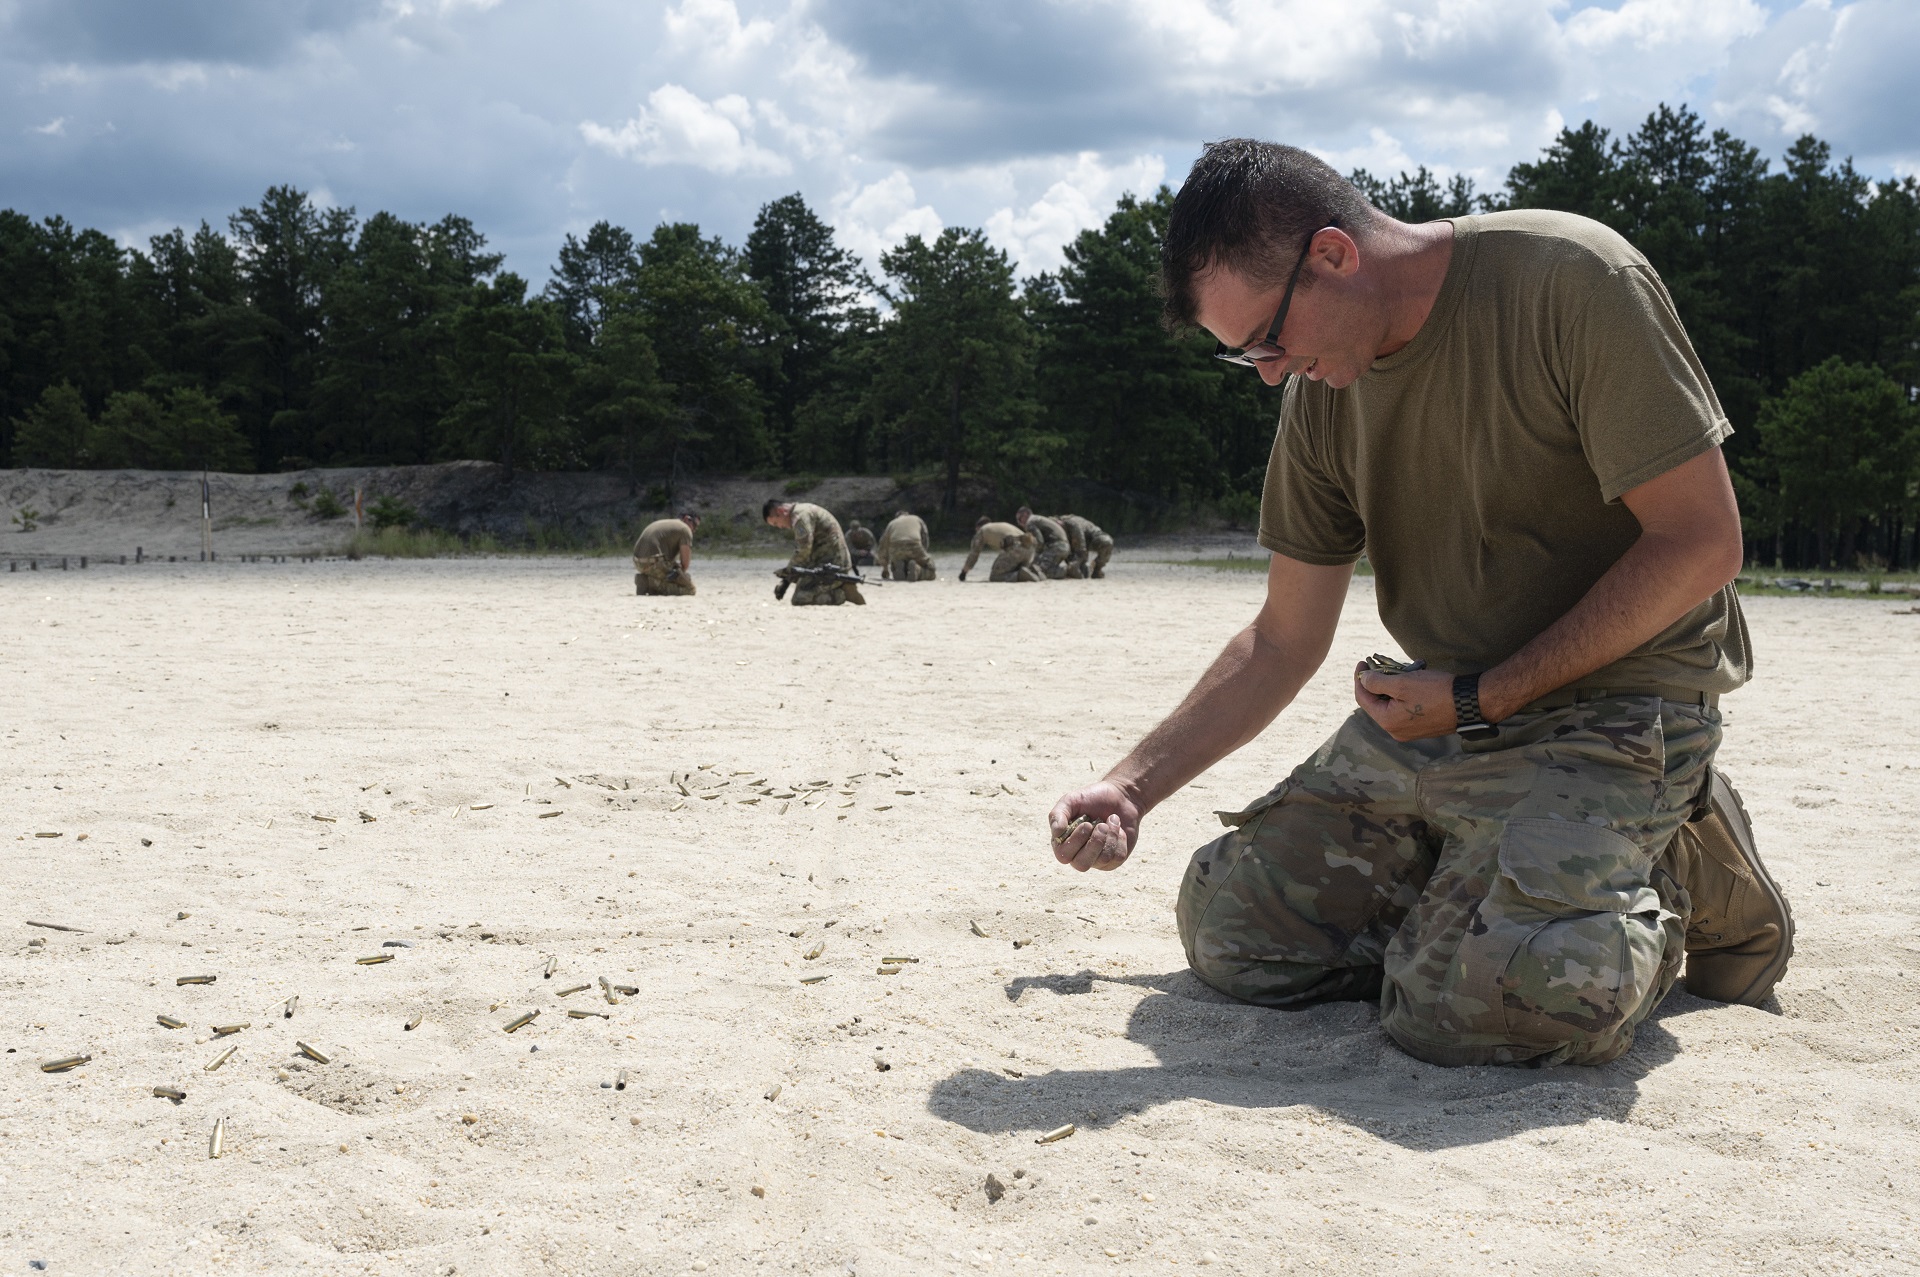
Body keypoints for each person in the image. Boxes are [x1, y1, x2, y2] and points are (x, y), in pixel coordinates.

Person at [1046, 139, 1792, 1070]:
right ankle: (1504, 877)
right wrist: (1132, 787)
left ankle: (1676, 862)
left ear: (1333, 255)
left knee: (1486, 1008)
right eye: (1246, 359)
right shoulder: (1324, 387)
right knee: (1235, 935)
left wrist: (1487, 694)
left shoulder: (1572, 281)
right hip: (1448, 716)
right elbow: (1283, 638)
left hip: (1618, 706)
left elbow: (1704, 543)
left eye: (1267, 341)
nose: (1270, 373)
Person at [763, 499, 865, 606]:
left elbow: (804, 550)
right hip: (826, 560)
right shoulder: (802, 511)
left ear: (780, 511)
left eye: (776, 523)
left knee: (800, 598)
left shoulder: (800, 517)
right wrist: (786, 580)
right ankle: (836, 586)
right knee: (801, 583)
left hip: (833, 563)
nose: (780, 527)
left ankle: (840, 593)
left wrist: (787, 574)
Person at [631, 512, 700, 596]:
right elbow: (685, 565)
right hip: (653, 562)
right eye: (694, 525)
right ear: (686, 519)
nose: (694, 530)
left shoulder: (668, 524)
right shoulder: (685, 529)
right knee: (690, 590)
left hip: (638, 563)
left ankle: (646, 580)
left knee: (672, 576)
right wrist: (682, 578)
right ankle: (648, 584)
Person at [960, 517, 1040, 582]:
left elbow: (974, 554)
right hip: (1030, 549)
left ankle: (1020, 575)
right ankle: (1033, 571)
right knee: (1011, 568)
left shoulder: (982, 530)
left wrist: (963, 572)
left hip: (1015, 549)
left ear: (978, 527)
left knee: (995, 576)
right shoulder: (1001, 525)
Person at [878, 510, 937, 581]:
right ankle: (917, 570)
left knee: (897, 564)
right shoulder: (917, 519)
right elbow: (925, 537)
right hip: (913, 545)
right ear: (907, 514)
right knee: (931, 570)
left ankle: (898, 567)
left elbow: (883, 545)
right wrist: (923, 554)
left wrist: (885, 568)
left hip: (896, 548)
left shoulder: (891, 523)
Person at [1015, 507, 1072, 579]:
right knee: (1038, 565)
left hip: (1056, 546)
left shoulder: (1030, 523)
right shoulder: (1036, 519)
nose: (1019, 523)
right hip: (1062, 546)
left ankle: (1067, 571)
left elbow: (1040, 542)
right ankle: (1065, 568)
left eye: (1020, 519)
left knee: (1039, 570)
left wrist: (1034, 556)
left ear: (1025, 514)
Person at [1058, 513, 1113, 579]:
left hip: (1088, 536)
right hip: (1075, 538)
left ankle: (1096, 569)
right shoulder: (1069, 525)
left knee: (1106, 542)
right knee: (1080, 571)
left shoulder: (1075, 525)